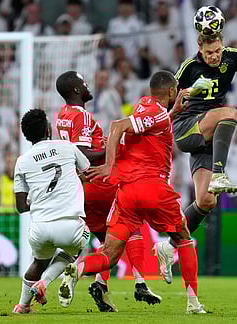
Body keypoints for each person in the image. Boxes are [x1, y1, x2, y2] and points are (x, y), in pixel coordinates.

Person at [57, 71, 205, 314]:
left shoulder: (143, 106)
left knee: (110, 252)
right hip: (154, 188)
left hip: (126, 193)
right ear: (170, 91)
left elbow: (152, 125)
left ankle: (78, 270)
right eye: (175, 89)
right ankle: (193, 303)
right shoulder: (153, 112)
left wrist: (174, 113)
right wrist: (108, 164)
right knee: (184, 238)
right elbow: (117, 126)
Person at [154, 26, 237, 281]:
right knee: (231, 113)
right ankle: (220, 173)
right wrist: (189, 92)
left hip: (208, 135)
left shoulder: (232, 57)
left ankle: (168, 246)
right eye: (209, 53)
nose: (214, 56)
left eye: (217, 51)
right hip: (186, 129)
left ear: (222, 46)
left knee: (207, 201)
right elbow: (164, 106)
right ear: (200, 49)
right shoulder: (188, 68)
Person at [54, 71, 161, 311]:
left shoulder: (62, 115)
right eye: (83, 82)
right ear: (76, 90)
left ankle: (101, 285)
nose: (87, 85)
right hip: (100, 182)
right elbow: (80, 152)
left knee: (107, 242)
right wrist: (114, 148)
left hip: (82, 190)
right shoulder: (81, 116)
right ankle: (140, 281)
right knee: (130, 224)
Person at [12, 109, 90, 314]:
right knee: (81, 243)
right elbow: (86, 168)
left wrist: (41, 202)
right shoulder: (67, 147)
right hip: (70, 226)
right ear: (49, 129)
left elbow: (21, 207)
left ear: (26, 135)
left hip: (39, 229)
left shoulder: (22, 161)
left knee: (39, 262)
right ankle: (44, 283)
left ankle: (22, 306)